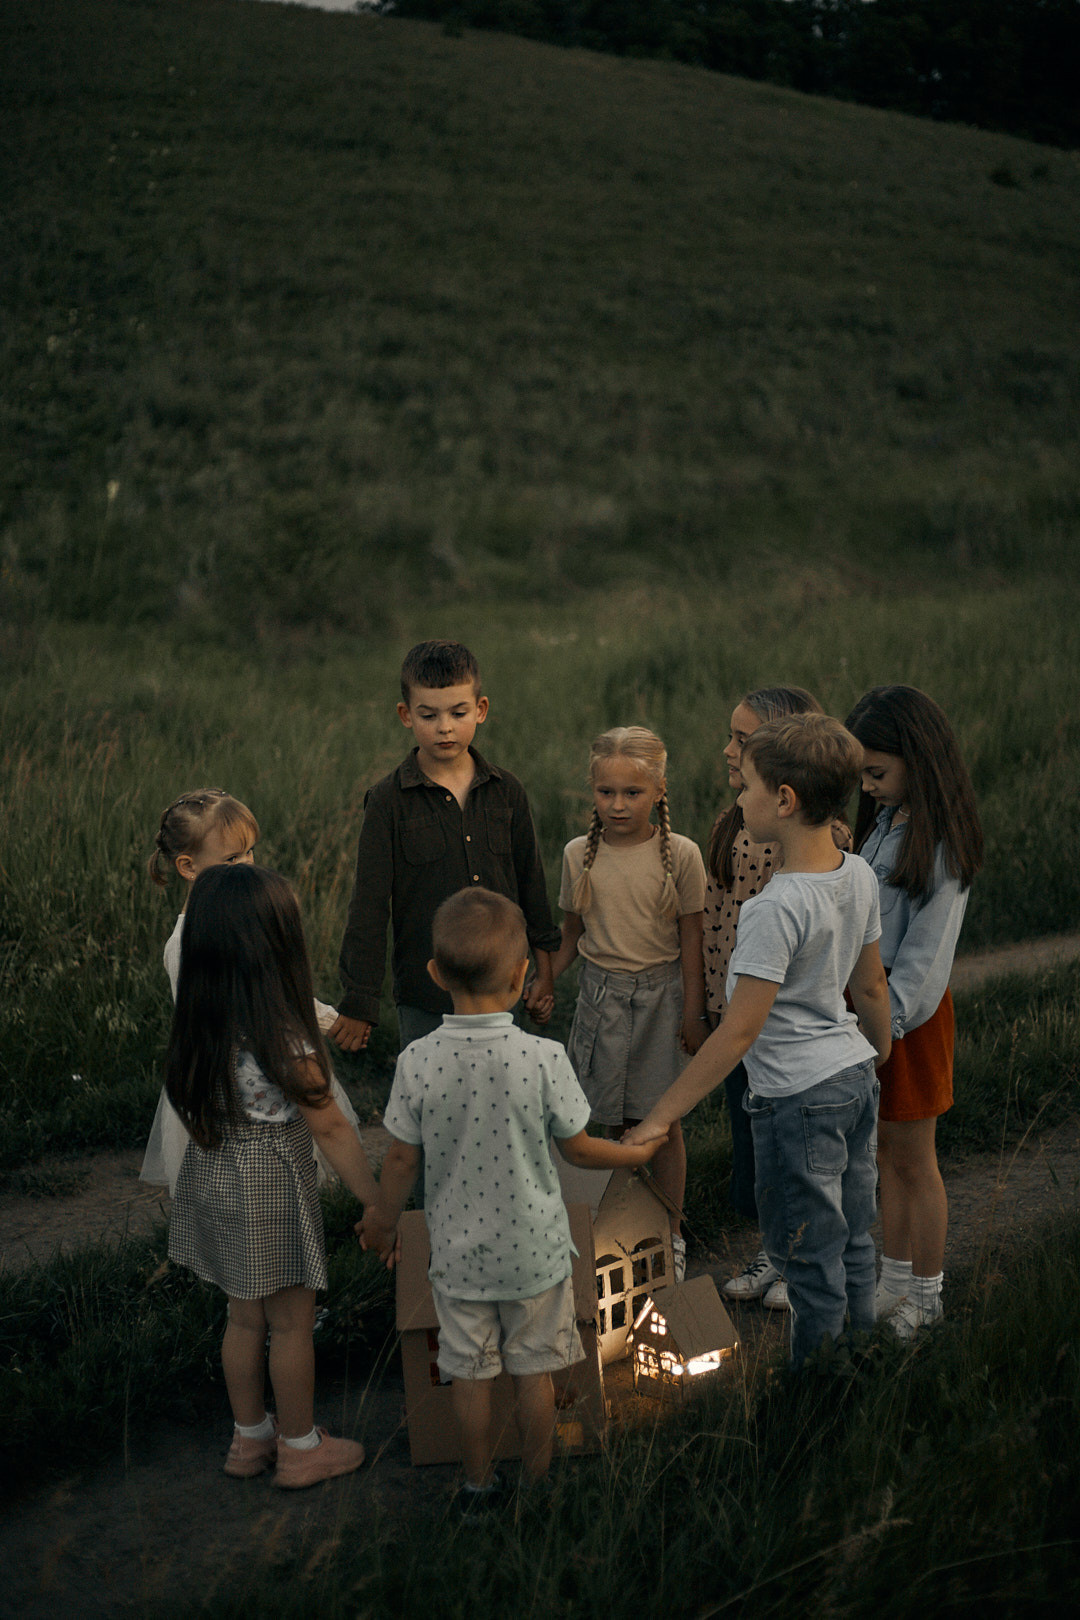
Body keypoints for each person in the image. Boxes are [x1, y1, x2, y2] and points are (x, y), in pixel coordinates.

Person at [360, 887, 664, 1509]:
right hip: (535, 1256)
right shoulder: (542, 1056)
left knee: (470, 1378)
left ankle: (476, 1486)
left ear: (436, 974)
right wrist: (634, 1154)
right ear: (523, 974)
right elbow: (579, 1151)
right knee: (533, 1375)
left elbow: (400, 1160)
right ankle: (538, 1487)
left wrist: (383, 1223)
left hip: (458, 1259)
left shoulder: (417, 1060)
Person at [625, 714, 893, 1370]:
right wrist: (877, 1053)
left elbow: (739, 1030)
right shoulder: (858, 874)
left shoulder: (774, 908)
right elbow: (871, 986)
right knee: (854, 1238)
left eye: (747, 785)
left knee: (807, 1255)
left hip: (798, 1099)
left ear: (785, 800)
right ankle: (864, 1362)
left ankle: (820, 1391)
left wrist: (660, 1114)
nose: (739, 797)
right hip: (855, 1079)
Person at [166, 862, 379, 1487]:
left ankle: (250, 1438)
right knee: (290, 1325)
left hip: (217, 1175)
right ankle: (301, 1447)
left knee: (243, 1319)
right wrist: (375, 1200)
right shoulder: (281, 1035)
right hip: (271, 1184)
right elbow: (331, 1127)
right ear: (275, 948)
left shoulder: (198, 1024)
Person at [331, 641, 560, 1059]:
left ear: (481, 709)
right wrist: (360, 1000)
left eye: (458, 713)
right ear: (406, 715)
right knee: (430, 1095)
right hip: (427, 997)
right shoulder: (387, 802)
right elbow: (368, 906)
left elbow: (532, 888)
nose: (444, 728)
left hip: (502, 988)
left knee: (504, 1092)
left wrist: (543, 976)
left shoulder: (507, 792)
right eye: (429, 715)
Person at [845, 685, 983, 1339]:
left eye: (876, 772)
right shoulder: (883, 823)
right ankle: (894, 1280)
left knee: (914, 1160)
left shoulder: (941, 845)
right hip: (869, 1018)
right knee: (884, 1156)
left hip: (908, 1025)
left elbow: (925, 959)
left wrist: (885, 1031)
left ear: (917, 759)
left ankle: (927, 1296)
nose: (866, 787)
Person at [548, 726, 707, 1282]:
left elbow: (693, 940)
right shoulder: (578, 855)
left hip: (663, 1001)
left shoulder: (682, 855)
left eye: (632, 793)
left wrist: (694, 1013)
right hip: (600, 1002)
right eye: (606, 792)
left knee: (659, 1124)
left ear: (659, 790)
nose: (618, 805)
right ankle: (610, 1235)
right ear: (592, 791)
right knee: (601, 1125)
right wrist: (543, 980)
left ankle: (670, 1232)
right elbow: (570, 935)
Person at [141, 788, 358, 1193]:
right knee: (234, 1184)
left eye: (249, 852)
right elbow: (243, 1009)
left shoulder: (247, 919)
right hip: (226, 1085)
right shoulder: (186, 944)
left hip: (270, 1072)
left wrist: (330, 1020)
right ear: (188, 866)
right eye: (231, 859)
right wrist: (325, 1023)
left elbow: (276, 989)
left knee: (285, 1174)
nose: (245, 865)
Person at [705, 686, 835, 1313]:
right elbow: (716, 919)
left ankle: (803, 1259)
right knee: (756, 1144)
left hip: (781, 1027)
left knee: (793, 1151)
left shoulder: (811, 839)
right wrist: (707, 1006)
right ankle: (775, 1251)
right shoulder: (736, 820)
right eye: (731, 736)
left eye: (742, 740)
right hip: (734, 1016)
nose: (728, 750)